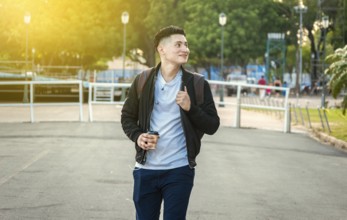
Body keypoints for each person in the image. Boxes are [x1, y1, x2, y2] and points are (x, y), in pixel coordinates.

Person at [121, 25, 220, 220]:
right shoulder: (143, 80)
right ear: (161, 49)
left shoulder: (197, 84)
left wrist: (190, 108)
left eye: (186, 44)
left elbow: (212, 125)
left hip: (179, 169)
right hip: (145, 169)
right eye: (178, 44)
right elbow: (127, 117)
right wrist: (138, 136)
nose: (185, 49)